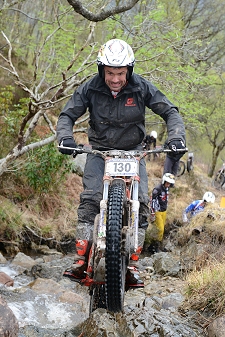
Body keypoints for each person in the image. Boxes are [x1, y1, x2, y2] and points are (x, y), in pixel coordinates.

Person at [56, 38, 186, 286]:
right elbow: (67, 114)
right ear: (101, 70)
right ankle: (81, 258)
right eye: (110, 73)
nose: (115, 79)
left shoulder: (141, 87)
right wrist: (65, 137)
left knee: (143, 203)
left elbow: (170, 111)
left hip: (133, 152)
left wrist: (177, 136)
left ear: (129, 70)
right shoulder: (90, 88)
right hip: (100, 151)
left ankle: (133, 263)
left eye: (120, 73)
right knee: (91, 198)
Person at [148, 173, 175, 254]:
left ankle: (153, 246)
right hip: (157, 212)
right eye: (167, 183)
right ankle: (154, 246)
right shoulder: (157, 189)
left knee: (161, 230)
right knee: (160, 229)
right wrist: (152, 212)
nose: (168, 184)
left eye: (169, 183)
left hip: (164, 211)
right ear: (163, 181)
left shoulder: (167, 189)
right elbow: (152, 200)